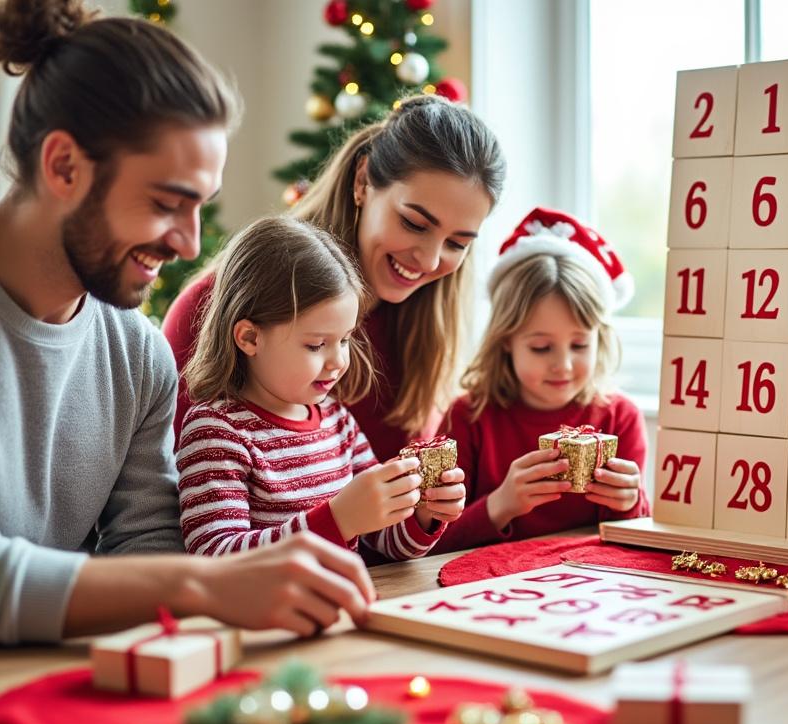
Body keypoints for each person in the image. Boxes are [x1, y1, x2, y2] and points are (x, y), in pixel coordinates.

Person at [0, 0, 373, 643]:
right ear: (63, 166)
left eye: (200, 207)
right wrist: (200, 584)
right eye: (168, 203)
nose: (191, 244)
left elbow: (145, 549)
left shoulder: (139, 354)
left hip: (39, 678)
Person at [164, 95, 505, 461]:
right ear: (362, 180)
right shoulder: (217, 306)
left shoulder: (422, 331)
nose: (430, 259)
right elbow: (174, 488)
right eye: (413, 224)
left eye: (457, 243)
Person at [176, 216, 465, 557]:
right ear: (250, 338)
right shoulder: (216, 432)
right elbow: (215, 558)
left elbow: (384, 540)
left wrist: (422, 515)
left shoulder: (337, 421)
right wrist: (337, 520)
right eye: (316, 345)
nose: (338, 361)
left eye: (344, 340)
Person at [433, 208, 650, 552]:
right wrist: (500, 504)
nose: (562, 365)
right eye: (541, 347)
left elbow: (635, 542)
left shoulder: (618, 419)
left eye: (579, 344)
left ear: (600, 339)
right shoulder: (468, 418)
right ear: (506, 341)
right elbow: (433, 543)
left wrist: (629, 502)